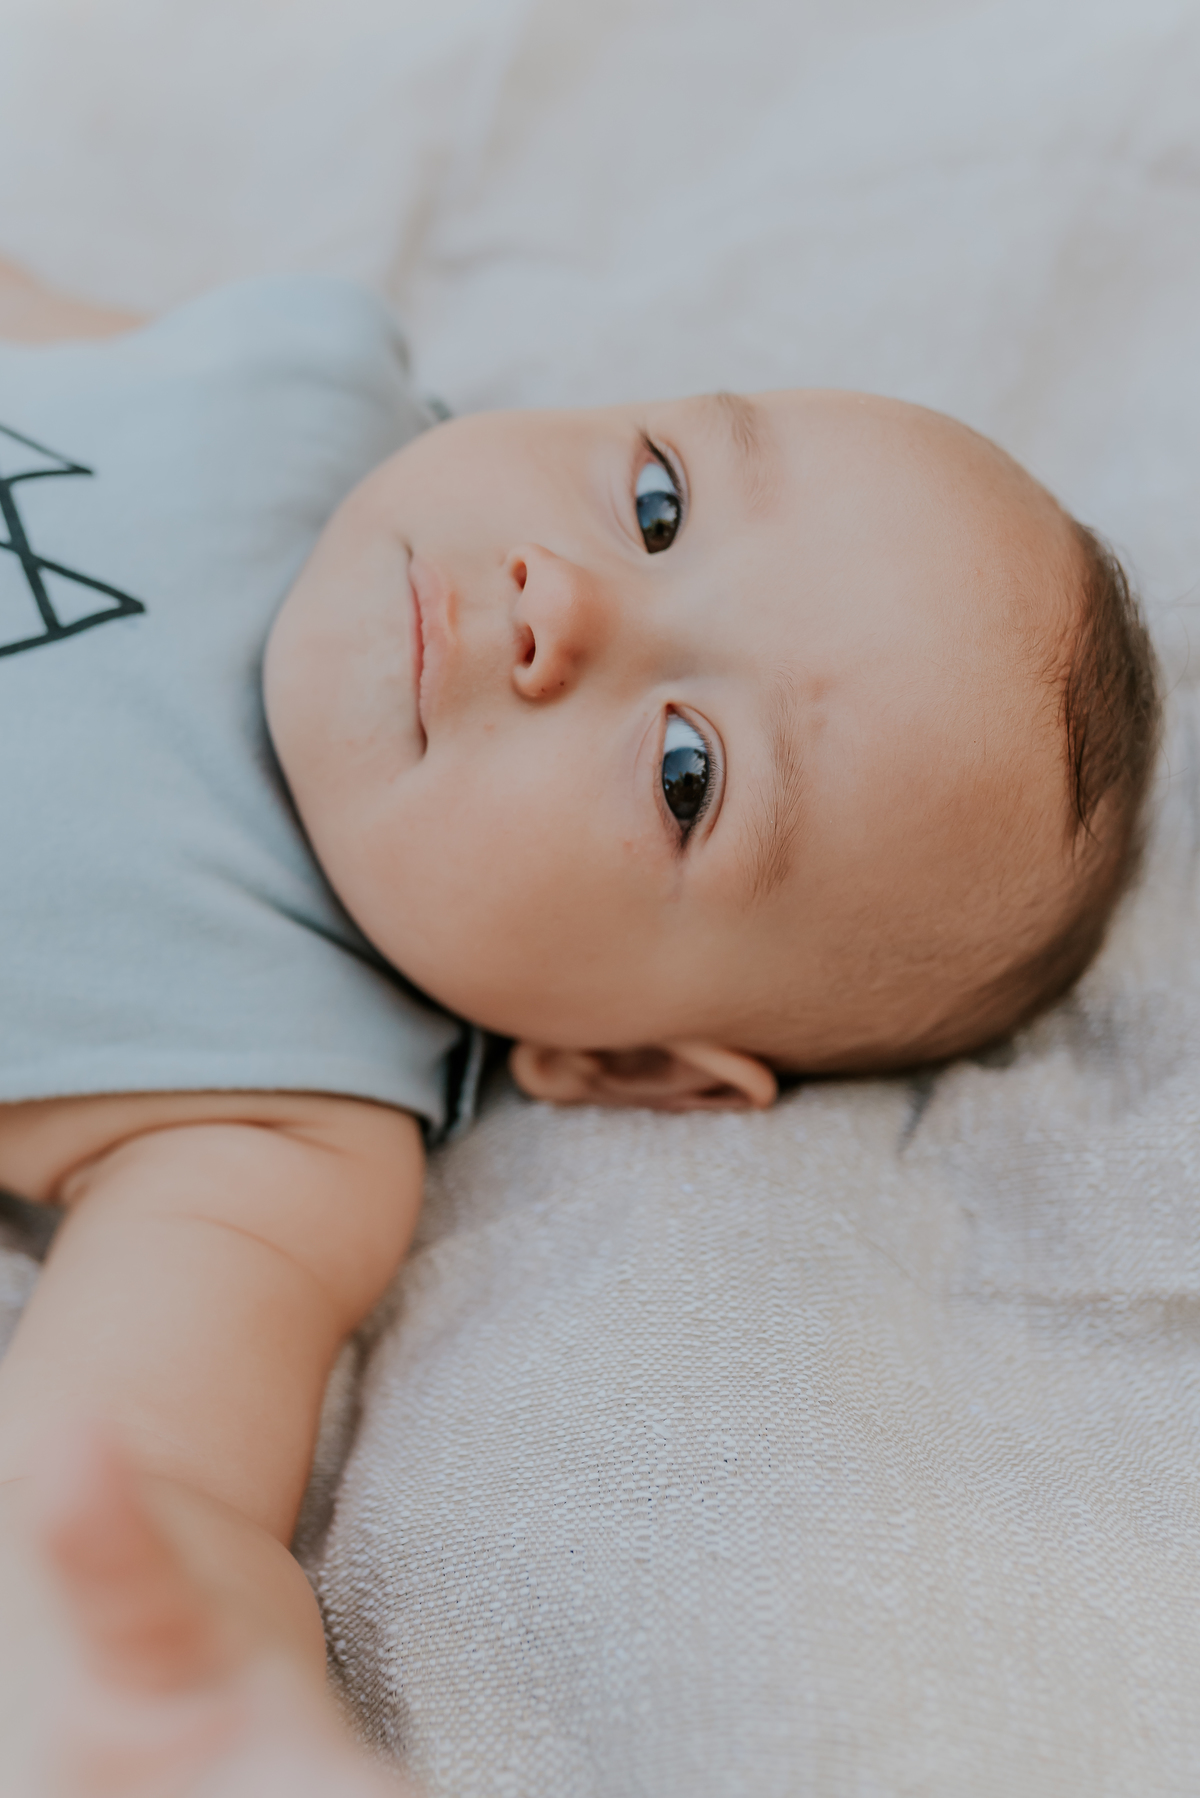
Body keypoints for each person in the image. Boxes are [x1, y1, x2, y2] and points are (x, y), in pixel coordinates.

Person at [0, 253, 1160, 1794]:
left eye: (689, 772)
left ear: (623, 1061)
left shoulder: (272, 1122)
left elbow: (145, 1495)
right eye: (661, 503)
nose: (567, 596)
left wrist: (213, 1719)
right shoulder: (301, 372)